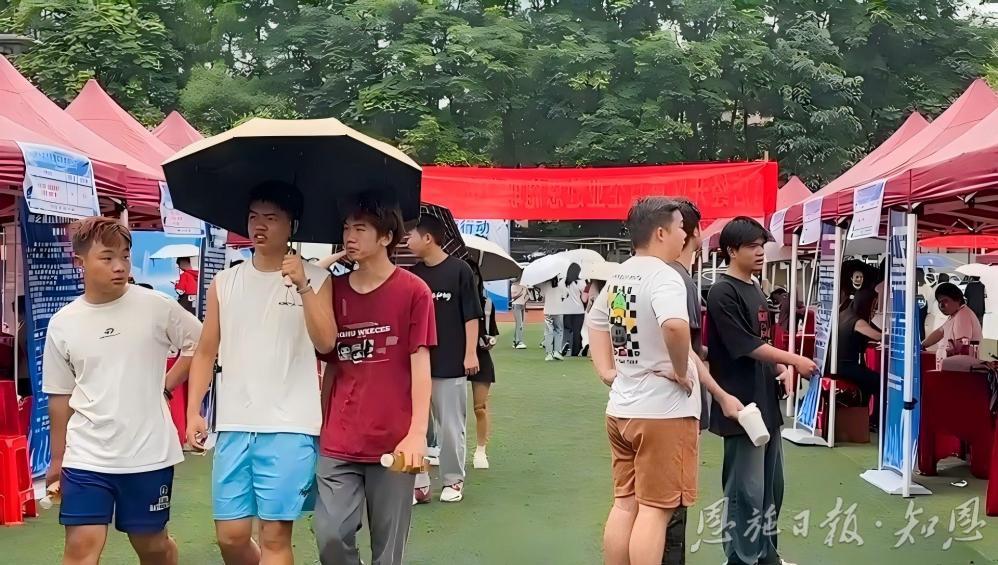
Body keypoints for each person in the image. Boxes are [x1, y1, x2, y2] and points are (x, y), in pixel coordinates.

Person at [587, 197, 744, 565]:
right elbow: (674, 326)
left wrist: (606, 371)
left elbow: (595, 322)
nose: (685, 235)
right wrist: (679, 368)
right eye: (679, 228)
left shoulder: (620, 275)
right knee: (655, 511)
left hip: (622, 408)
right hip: (663, 412)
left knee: (625, 505)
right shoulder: (665, 276)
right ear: (660, 233)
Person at [186, 180, 336, 564]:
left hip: (290, 427)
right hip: (234, 424)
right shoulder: (225, 281)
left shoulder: (317, 279)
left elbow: (326, 343)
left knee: (274, 536)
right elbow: (205, 351)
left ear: (292, 225)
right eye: (254, 217)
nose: (260, 226)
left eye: (271, 218)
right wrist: (194, 410)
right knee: (231, 537)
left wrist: (302, 285)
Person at [43, 217, 202, 565]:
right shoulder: (63, 323)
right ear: (80, 261)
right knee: (81, 547)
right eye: (107, 257)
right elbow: (59, 395)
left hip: (148, 453)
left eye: (125, 256)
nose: (119, 266)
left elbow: (202, 345)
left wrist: (167, 384)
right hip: (86, 454)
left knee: (152, 546)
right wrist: (57, 459)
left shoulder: (157, 306)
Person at [314, 199, 434, 565]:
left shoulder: (414, 291)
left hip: (394, 440)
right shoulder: (333, 290)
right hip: (339, 439)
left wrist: (417, 434)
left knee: (388, 552)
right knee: (330, 536)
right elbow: (330, 363)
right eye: (346, 228)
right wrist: (321, 423)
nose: (349, 237)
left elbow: (421, 365)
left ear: (386, 237)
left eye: (360, 229)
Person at [706, 216, 817, 565]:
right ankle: (741, 559)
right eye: (752, 246)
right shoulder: (722, 292)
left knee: (771, 488)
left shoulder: (755, 287)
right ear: (731, 250)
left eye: (762, 246)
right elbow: (745, 344)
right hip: (741, 407)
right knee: (745, 491)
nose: (760, 252)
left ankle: (767, 555)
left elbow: (762, 341)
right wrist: (793, 360)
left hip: (765, 402)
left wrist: (780, 367)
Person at [408, 215, 483, 504]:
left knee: (450, 426)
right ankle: (419, 484)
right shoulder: (412, 275)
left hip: (451, 363)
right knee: (414, 426)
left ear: (428, 238)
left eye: (412, 235)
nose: (407, 240)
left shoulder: (460, 270)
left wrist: (470, 352)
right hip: (416, 363)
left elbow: (471, 314)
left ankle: (453, 480)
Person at [659, 198, 706, 565]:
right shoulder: (678, 281)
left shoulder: (650, 276)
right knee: (672, 504)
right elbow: (684, 340)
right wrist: (681, 370)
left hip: (642, 405)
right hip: (674, 405)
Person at [467, 260, 499, 470]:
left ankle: (480, 451)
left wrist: (490, 341)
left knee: (480, 407)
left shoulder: (487, 304)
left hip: (481, 357)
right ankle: (442, 447)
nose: (472, 280)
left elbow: (491, 332)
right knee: (450, 410)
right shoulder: (451, 302)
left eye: (474, 275)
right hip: (453, 357)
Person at [836, 288, 882, 423]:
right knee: (879, 381)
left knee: (867, 381)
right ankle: (875, 419)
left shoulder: (843, 315)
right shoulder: (857, 321)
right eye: (873, 305)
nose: (874, 309)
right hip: (846, 368)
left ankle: (864, 415)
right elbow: (877, 336)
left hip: (838, 365)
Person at [922, 282, 984, 357]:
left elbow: (961, 349)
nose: (941, 306)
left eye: (945, 301)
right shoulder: (955, 315)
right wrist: (921, 345)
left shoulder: (962, 316)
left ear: (957, 299)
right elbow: (940, 332)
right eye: (939, 302)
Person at [562, 262, 587, 356]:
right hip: (578, 310)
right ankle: (575, 351)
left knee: (567, 330)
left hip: (566, 309)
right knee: (577, 332)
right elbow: (584, 299)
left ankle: (566, 346)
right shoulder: (581, 282)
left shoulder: (563, 282)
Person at [540, 276, 566, 362]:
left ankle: (549, 354)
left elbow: (542, 295)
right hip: (558, 310)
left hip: (548, 311)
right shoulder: (561, 284)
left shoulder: (545, 284)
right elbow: (565, 295)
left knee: (548, 332)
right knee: (559, 330)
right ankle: (557, 352)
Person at [510, 281, 528, 349]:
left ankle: (515, 341)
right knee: (519, 323)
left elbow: (526, 296)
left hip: (521, 305)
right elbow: (513, 296)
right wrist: (523, 289)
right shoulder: (514, 285)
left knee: (520, 323)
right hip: (516, 305)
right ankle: (519, 342)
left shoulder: (524, 284)